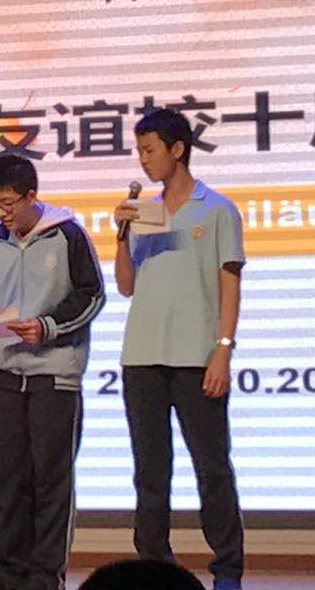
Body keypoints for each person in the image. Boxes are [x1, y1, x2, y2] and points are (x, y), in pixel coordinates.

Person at [113, 108, 245, 590]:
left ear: (177, 149)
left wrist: (222, 350)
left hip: (197, 358)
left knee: (212, 467)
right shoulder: (146, 212)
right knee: (150, 472)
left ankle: (227, 568)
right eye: (139, 151)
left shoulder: (217, 209)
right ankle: (154, 564)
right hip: (142, 357)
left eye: (150, 150)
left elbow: (229, 282)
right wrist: (120, 235)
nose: (143, 160)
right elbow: (126, 286)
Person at [0, 155, 105, 590]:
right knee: (6, 480)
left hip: (55, 376)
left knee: (51, 481)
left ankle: (46, 576)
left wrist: (47, 326)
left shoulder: (67, 234)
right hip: (5, 374)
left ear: (31, 196)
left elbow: (92, 295)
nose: (1, 212)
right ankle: (9, 573)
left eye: (9, 204)